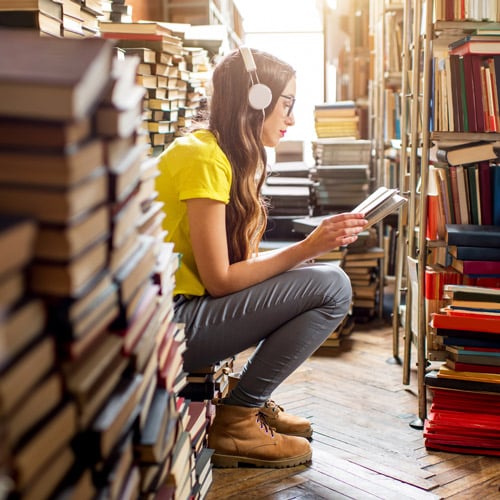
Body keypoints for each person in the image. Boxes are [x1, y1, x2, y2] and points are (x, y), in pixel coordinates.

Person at [156, 47, 367, 469]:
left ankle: (245, 401)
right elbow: (219, 280)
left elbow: (224, 271)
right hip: (167, 327)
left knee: (319, 278)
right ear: (257, 102)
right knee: (332, 285)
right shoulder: (203, 158)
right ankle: (237, 419)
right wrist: (307, 249)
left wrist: (301, 259)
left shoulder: (215, 152)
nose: (291, 118)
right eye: (286, 105)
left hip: (176, 314)